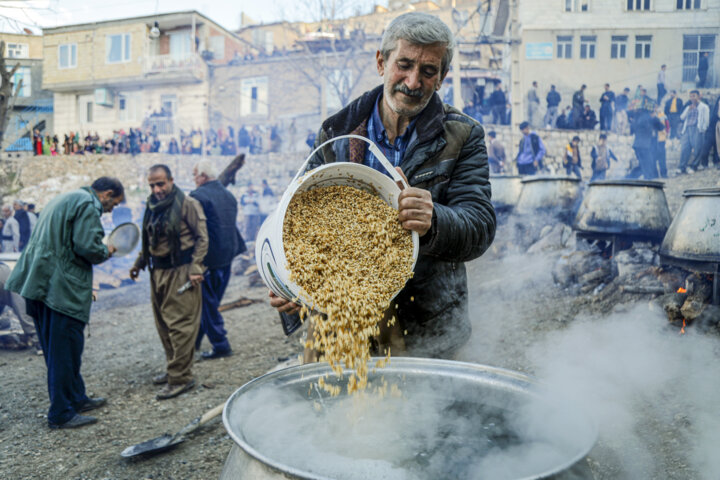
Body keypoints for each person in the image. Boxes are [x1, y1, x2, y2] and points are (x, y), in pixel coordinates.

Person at [269, 12, 496, 359]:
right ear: (381, 62)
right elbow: (295, 223)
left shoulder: (462, 136)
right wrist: (287, 282)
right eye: (403, 64)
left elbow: (479, 226)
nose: (413, 81)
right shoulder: (337, 133)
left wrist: (434, 221)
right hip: (340, 318)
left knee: (424, 412)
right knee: (334, 409)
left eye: (428, 71)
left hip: (426, 325)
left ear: (442, 77)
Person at [6, 177, 124, 429]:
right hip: (58, 288)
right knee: (64, 349)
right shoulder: (88, 204)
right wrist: (108, 250)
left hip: (37, 282)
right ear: (107, 194)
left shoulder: (66, 197)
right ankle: (60, 412)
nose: (109, 210)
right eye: (112, 205)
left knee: (57, 347)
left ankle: (76, 398)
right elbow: (87, 247)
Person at [130, 165, 209, 400]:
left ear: (171, 181)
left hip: (182, 271)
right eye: (152, 185)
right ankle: (174, 368)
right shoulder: (152, 206)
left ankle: (180, 378)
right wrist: (139, 263)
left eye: (161, 184)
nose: (157, 189)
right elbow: (150, 239)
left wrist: (196, 268)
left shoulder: (188, 204)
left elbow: (202, 238)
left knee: (181, 326)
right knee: (164, 325)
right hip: (158, 272)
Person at [190, 160, 246, 360]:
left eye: (195, 174)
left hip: (208, 259)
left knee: (206, 304)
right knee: (210, 303)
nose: (194, 178)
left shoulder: (196, 197)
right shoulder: (228, 194)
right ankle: (195, 341)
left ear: (203, 176)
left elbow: (196, 232)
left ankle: (221, 345)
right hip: (227, 254)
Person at [676, 90, 710, 174]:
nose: (692, 98)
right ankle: (682, 167)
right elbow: (682, 117)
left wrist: (702, 129)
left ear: (698, 96)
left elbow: (706, 120)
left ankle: (694, 166)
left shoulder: (704, 107)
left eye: (694, 96)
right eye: (690, 96)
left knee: (697, 148)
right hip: (687, 128)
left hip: (697, 128)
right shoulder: (689, 107)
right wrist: (688, 110)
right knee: (685, 148)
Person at [631, 107, 663, 179]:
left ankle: (630, 177)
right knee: (648, 163)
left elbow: (632, 130)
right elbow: (661, 127)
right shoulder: (649, 118)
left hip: (637, 145)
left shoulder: (637, 118)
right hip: (644, 146)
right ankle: (647, 179)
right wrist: (655, 117)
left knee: (643, 164)